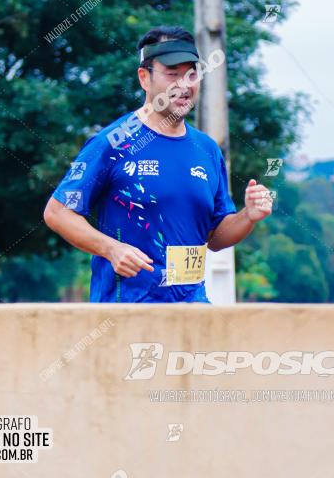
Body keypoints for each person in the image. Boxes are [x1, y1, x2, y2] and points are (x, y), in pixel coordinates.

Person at [44, 25, 273, 303]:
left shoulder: (206, 150)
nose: (184, 85)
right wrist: (110, 248)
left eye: (191, 74)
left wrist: (247, 216)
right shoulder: (114, 142)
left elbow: (215, 237)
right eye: (172, 74)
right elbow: (57, 213)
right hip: (125, 314)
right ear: (144, 78)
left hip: (192, 311)